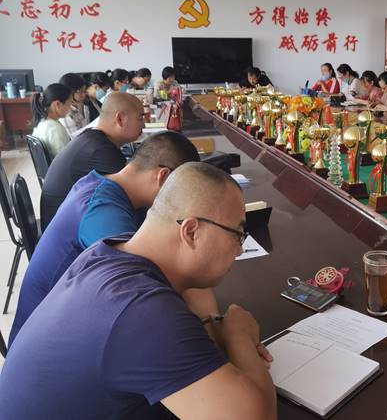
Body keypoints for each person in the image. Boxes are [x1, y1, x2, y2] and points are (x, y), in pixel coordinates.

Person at [0, 163, 277, 420]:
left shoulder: (110, 251)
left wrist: (212, 322)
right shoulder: (142, 311)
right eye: (238, 234)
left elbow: (193, 291)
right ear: (191, 232)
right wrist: (239, 335)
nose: (240, 249)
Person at [9, 131, 200, 345]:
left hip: (59, 326)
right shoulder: (103, 211)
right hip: (45, 342)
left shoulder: (102, 183)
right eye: (184, 193)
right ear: (163, 177)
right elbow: (138, 292)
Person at [40, 92, 145, 227]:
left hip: (63, 222)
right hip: (67, 232)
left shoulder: (93, 139)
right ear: (120, 119)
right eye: (140, 118)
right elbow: (137, 195)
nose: (144, 125)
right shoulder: (101, 151)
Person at [30, 83, 72, 159]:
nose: (70, 108)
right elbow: (66, 159)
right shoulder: (55, 129)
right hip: (60, 165)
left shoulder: (40, 122)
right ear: (57, 104)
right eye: (69, 104)